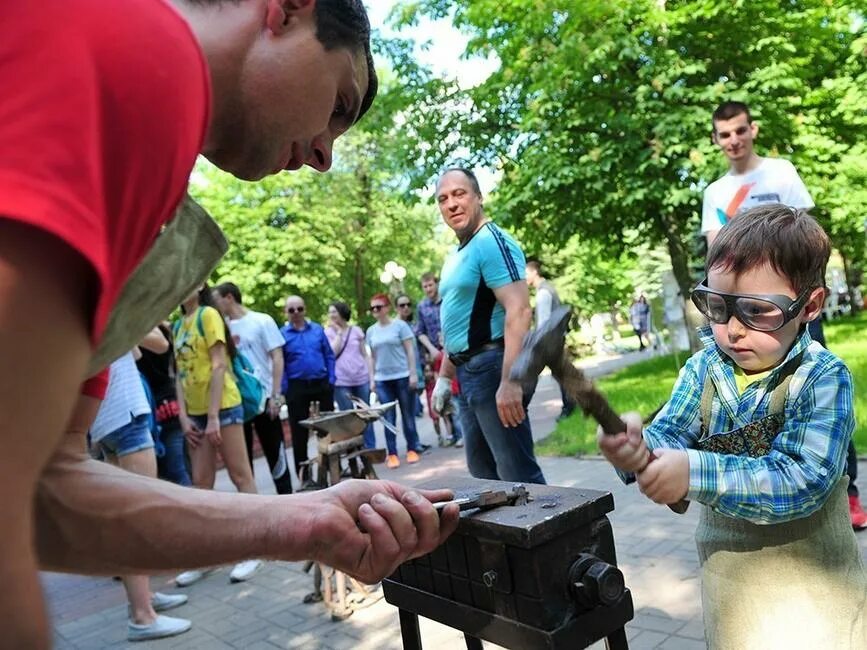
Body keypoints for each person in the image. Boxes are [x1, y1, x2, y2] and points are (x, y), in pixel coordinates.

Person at [2, 1, 458, 645]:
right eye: (337, 105)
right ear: (288, 9)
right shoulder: (146, 57)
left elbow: (43, 488)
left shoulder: (137, 167)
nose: (324, 155)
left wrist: (304, 521)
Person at [599, 205, 866, 649]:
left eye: (757, 310)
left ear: (809, 305)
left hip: (815, 589)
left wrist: (693, 472)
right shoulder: (703, 368)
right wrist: (637, 448)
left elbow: (803, 480)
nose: (733, 330)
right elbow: (671, 433)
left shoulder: (822, 377)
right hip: (734, 589)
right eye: (718, 307)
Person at [702, 100, 867, 529]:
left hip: (784, 306)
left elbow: (806, 237)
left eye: (740, 130)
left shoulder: (780, 173)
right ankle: (757, 472)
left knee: (816, 388)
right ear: (716, 139)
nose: (733, 140)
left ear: (752, 129)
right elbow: (716, 253)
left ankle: (845, 489)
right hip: (742, 305)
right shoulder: (715, 192)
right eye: (724, 134)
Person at [432, 168, 546, 485]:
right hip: (468, 374)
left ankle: (551, 521)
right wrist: (444, 378)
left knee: (517, 475)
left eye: (459, 194)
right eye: (443, 199)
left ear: (479, 197)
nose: (451, 204)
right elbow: (456, 325)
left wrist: (510, 382)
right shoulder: (458, 254)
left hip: (494, 368)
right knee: (483, 475)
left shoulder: (491, 242)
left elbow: (519, 310)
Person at [91, 353, 192, 641]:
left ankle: (144, 598)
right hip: (125, 415)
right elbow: (139, 351)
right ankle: (142, 616)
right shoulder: (110, 326)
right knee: (138, 517)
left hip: (107, 420)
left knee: (128, 517)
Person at [174, 285, 264, 585]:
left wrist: (213, 416)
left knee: (241, 475)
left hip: (223, 407)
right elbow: (179, 375)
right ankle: (207, 556)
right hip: (196, 414)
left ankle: (256, 549)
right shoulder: (178, 325)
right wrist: (184, 416)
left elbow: (218, 364)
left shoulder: (208, 315)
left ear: (200, 285)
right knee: (201, 484)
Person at [214, 282, 293, 495]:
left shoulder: (261, 321)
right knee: (243, 460)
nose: (214, 304)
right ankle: (252, 504)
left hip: (264, 397)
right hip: (236, 401)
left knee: (275, 452)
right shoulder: (221, 327)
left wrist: (276, 394)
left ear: (229, 297)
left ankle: (286, 499)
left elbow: (277, 357)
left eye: (216, 299)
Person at [280, 295, 336, 482]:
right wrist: (285, 388)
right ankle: (305, 477)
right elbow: (280, 363)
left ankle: (331, 470)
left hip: (321, 383)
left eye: (299, 309)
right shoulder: (282, 334)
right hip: (297, 387)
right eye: (291, 310)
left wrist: (331, 378)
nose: (296, 313)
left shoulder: (317, 330)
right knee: (299, 434)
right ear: (286, 312)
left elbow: (329, 355)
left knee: (328, 429)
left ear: (305, 309)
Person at [366, 294, 426, 469]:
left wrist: (413, 374)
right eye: (372, 308)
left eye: (378, 307)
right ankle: (392, 454)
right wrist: (372, 379)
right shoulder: (371, 331)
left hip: (402, 376)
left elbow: (410, 351)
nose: (375, 310)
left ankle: (412, 449)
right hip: (382, 380)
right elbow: (372, 357)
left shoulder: (400, 326)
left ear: (387, 308)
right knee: (388, 418)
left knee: (408, 415)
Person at [137, 323, 193, 487]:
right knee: (170, 474)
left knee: (177, 472)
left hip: (165, 410)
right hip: (152, 410)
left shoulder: (156, 332)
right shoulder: (162, 328)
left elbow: (162, 346)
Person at [525, 259, 577, 419]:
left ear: (534, 272)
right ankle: (571, 403)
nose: (524, 277)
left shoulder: (543, 293)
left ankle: (569, 405)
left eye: (526, 273)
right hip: (555, 338)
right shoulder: (547, 288)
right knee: (560, 372)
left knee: (558, 373)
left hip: (549, 340)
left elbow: (544, 321)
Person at [325, 301, 374, 448]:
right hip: (341, 381)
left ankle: (370, 449)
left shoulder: (356, 331)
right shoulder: (328, 333)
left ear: (342, 312)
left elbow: (365, 355)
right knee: (347, 418)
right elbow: (332, 353)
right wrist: (339, 333)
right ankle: (353, 451)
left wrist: (371, 377)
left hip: (361, 378)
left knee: (365, 415)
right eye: (330, 312)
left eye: (334, 311)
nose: (331, 315)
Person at [396, 293, 427, 418]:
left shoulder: (414, 326)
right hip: (402, 372)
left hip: (418, 370)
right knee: (409, 412)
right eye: (402, 305)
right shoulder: (394, 326)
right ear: (396, 307)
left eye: (408, 305)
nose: (406, 308)